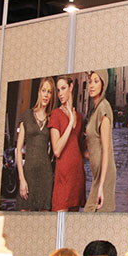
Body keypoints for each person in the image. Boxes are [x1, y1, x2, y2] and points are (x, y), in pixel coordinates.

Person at [15, 77, 55, 211]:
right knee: (23, 213)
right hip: (28, 174)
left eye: (49, 92)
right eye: (44, 90)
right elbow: (18, 149)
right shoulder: (27, 115)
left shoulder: (52, 118)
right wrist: (22, 179)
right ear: (39, 92)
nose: (46, 94)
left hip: (45, 175)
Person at [49, 76, 86, 212]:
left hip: (77, 176)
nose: (60, 93)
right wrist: (70, 122)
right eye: (58, 90)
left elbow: (80, 148)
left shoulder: (80, 117)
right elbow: (57, 150)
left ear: (71, 88)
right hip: (63, 177)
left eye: (63, 88)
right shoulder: (56, 115)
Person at [83, 70, 117, 212]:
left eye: (96, 81)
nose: (92, 85)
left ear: (103, 85)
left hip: (104, 175)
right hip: (98, 175)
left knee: (91, 211)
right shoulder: (94, 110)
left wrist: (101, 185)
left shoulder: (104, 108)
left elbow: (106, 149)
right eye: (90, 81)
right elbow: (94, 149)